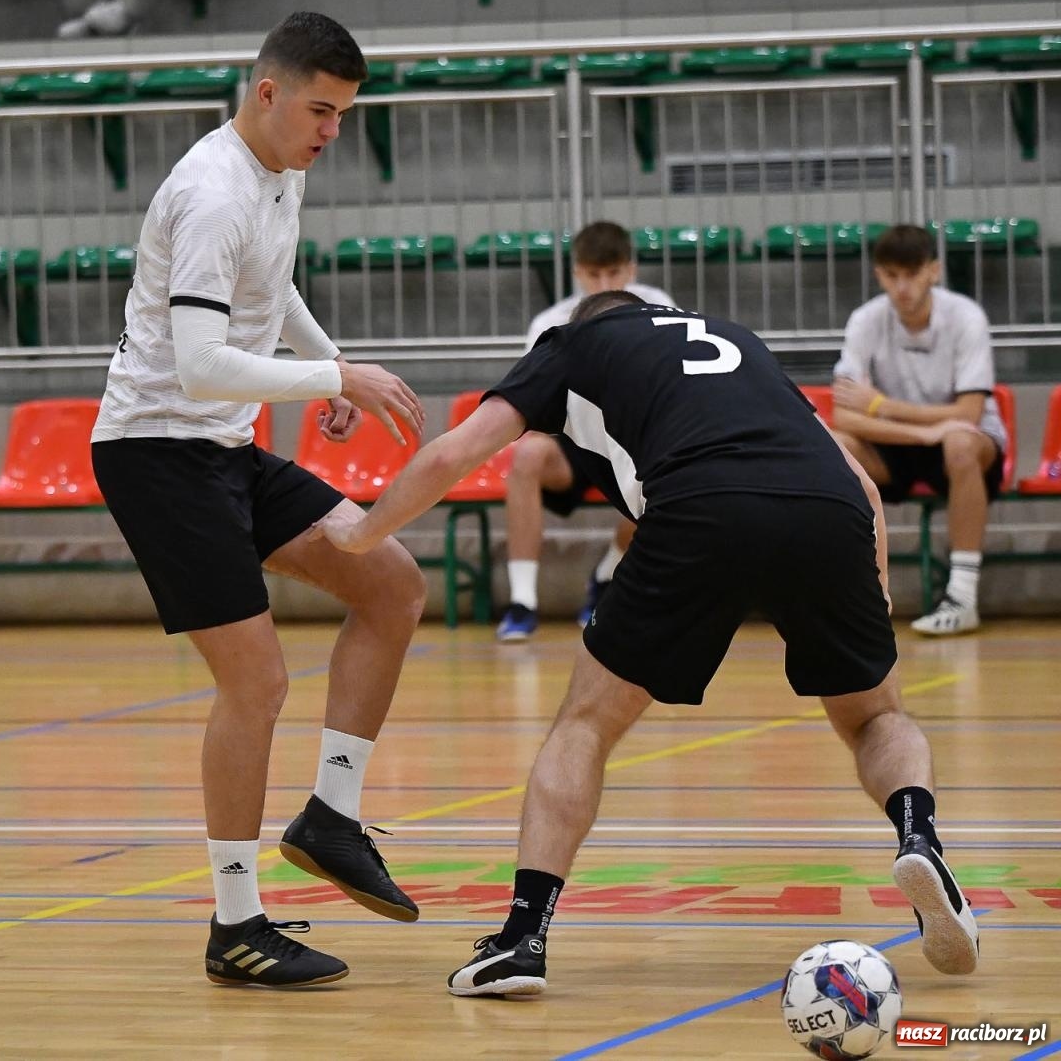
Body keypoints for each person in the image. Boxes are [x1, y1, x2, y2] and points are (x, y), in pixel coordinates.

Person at [315, 291, 980, 996]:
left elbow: (453, 452)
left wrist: (364, 533)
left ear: (585, 322)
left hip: (700, 506)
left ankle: (521, 940)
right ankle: (918, 836)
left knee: (586, 724)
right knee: (877, 715)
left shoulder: (572, 347)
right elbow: (859, 483)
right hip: (827, 508)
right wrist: (873, 584)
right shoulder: (737, 339)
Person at [91, 11, 428, 987]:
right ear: (267, 92)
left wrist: (321, 358)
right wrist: (337, 383)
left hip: (223, 449)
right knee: (258, 681)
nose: (331, 131)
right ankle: (235, 923)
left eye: (345, 114)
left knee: (391, 582)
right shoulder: (210, 193)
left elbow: (268, 293)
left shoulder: (281, 169)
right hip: (157, 451)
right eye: (320, 110)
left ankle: (329, 815)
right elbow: (197, 366)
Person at [496, 221, 675, 641]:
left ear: (631, 269)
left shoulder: (659, 307)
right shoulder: (551, 322)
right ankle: (523, 601)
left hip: (634, 441)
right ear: (577, 272)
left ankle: (608, 572)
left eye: (612, 273)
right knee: (526, 456)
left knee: (670, 474)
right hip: (576, 440)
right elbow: (533, 401)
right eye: (593, 274)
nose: (602, 283)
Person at [830, 224, 1005, 636]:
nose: (902, 286)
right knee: (837, 446)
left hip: (966, 445)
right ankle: (848, 588)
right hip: (900, 445)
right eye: (892, 275)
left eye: (912, 274)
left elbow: (969, 411)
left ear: (934, 271)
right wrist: (925, 431)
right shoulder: (865, 320)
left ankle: (962, 596)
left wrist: (881, 405)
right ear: (878, 275)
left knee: (960, 442)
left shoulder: (966, 317)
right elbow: (845, 419)